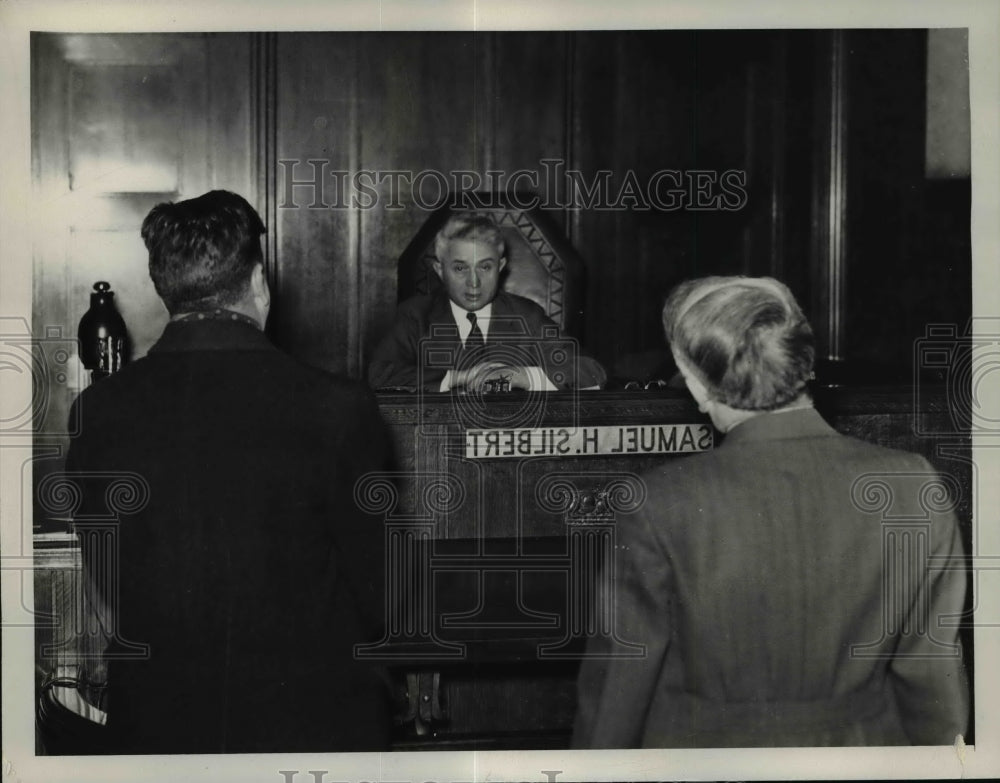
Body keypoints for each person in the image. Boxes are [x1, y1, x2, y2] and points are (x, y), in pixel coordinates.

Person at [573, 275, 969, 748]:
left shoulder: (658, 502)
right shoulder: (913, 484)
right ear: (803, 362)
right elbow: (934, 685)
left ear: (696, 382)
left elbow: (619, 690)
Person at [63, 190, 392, 753]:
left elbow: (108, 580)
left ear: (164, 289)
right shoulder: (339, 407)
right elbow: (380, 595)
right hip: (311, 733)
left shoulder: (96, 413)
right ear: (260, 284)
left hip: (159, 734)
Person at [367, 213, 606, 392]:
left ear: (500, 267)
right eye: (460, 268)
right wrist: (457, 377)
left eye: (485, 267)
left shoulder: (526, 315)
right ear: (440, 270)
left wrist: (520, 376)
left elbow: (592, 371)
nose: (474, 282)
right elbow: (379, 375)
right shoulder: (416, 315)